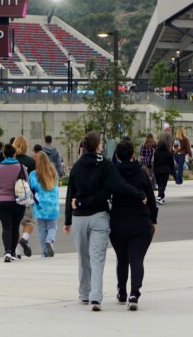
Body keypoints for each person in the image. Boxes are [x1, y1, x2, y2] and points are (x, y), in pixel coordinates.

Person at [64, 131, 145, 311]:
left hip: (79, 218)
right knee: (97, 258)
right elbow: (119, 186)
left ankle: (84, 293)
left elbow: (71, 192)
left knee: (83, 257)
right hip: (99, 216)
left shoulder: (77, 166)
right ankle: (95, 298)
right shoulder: (106, 166)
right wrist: (139, 194)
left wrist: (68, 218)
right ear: (98, 145)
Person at [109, 139, 157, 311]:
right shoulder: (142, 173)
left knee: (122, 258)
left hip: (118, 222)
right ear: (132, 155)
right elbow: (151, 198)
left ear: (116, 155)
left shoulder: (113, 173)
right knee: (136, 258)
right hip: (140, 221)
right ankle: (134, 294)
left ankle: (121, 291)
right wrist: (154, 220)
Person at [0, 144, 27, 262]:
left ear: (3, 154)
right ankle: (12, 252)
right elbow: (25, 183)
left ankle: (6, 251)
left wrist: (1, 194)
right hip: (18, 202)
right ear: (14, 154)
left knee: (6, 227)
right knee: (15, 227)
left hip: (2, 202)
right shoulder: (21, 167)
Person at [29, 150, 60, 257]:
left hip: (40, 205)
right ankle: (50, 240)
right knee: (52, 226)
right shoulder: (53, 172)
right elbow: (56, 189)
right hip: (52, 204)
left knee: (42, 228)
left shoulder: (33, 174)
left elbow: (31, 189)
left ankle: (44, 252)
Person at [12, 136, 36, 257]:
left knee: (14, 224)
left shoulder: (12, 161)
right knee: (29, 222)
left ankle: (16, 250)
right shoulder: (31, 162)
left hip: (13, 195)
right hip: (27, 195)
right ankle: (25, 239)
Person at [152, 131, 175, 204]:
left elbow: (153, 161)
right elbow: (171, 162)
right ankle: (159, 197)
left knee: (159, 185)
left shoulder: (155, 152)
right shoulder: (168, 153)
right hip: (165, 170)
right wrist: (172, 170)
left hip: (156, 171)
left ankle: (162, 197)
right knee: (163, 185)